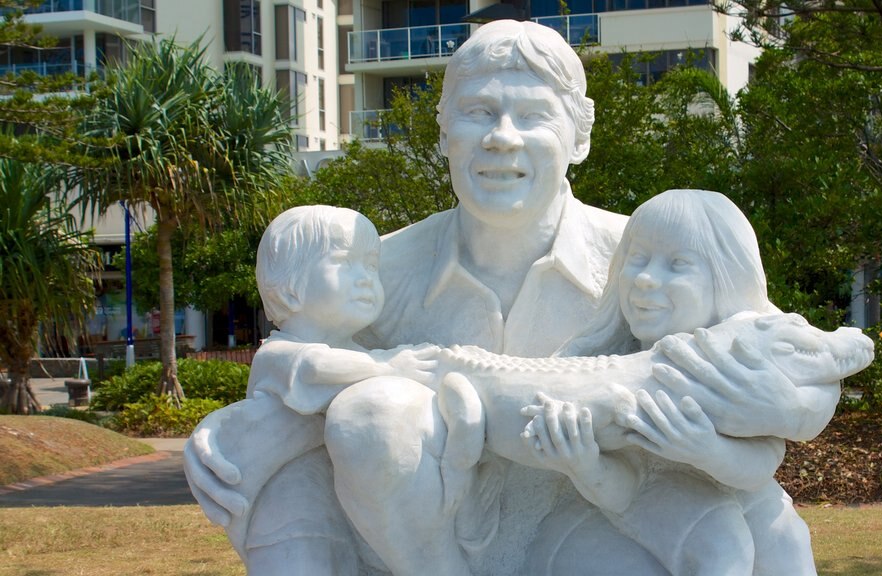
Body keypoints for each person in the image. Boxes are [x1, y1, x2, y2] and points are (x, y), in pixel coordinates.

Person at [185, 20, 843, 576]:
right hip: (419, 540)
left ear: (579, 137)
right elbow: (312, 366)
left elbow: (781, 354)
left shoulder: (647, 261)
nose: (502, 136)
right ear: (444, 135)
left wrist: (787, 404)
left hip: (587, 518)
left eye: (531, 116)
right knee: (371, 412)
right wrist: (236, 436)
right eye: (478, 113)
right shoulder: (373, 268)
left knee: (760, 531)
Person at [522, 189, 818, 575]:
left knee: (786, 538)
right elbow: (620, 489)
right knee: (720, 551)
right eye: (637, 259)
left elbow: (761, 464)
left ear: (725, 280)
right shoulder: (596, 363)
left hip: (730, 487)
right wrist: (581, 462)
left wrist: (706, 448)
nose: (646, 278)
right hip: (624, 504)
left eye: (677, 264)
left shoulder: (740, 363)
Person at [185, 206, 436, 567]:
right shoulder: (280, 352)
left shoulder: (358, 355)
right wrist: (389, 366)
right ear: (289, 290)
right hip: (287, 518)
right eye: (345, 263)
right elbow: (319, 368)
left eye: (370, 265)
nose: (365, 278)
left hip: (341, 515)